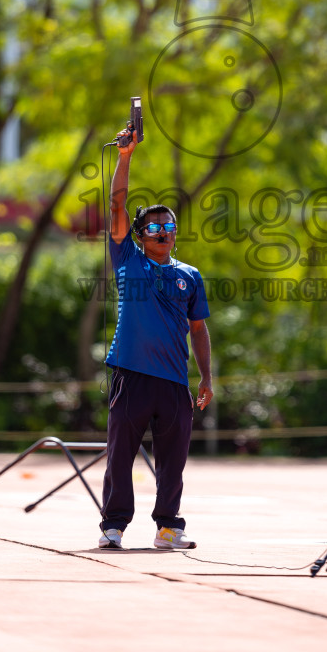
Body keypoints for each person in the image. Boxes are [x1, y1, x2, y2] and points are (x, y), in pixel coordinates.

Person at [98, 125, 213, 551]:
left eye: (169, 226)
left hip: (173, 382)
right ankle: (114, 525)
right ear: (139, 236)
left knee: (173, 463)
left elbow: (198, 329)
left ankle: (169, 527)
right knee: (120, 456)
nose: (163, 232)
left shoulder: (189, 276)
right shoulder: (127, 258)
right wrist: (125, 156)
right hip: (131, 375)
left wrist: (205, 378)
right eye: (154, 228)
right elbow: (116, 204)